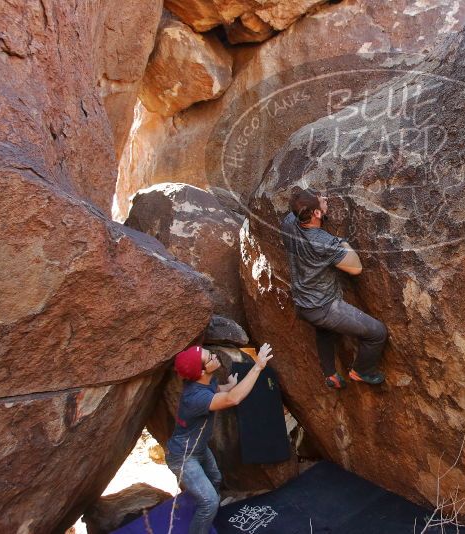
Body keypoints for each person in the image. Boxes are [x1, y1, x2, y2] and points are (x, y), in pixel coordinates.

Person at [280, 188, 387, 389]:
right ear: (317, 214)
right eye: (322, 201)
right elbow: (356, 268)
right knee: (377, 333)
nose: (326, 199)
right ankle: (362, 371)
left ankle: (330, 374)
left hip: (303, 301)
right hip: (324, 307)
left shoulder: (288, 223)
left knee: (324, 330)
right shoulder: (324, 242)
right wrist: (341, 243)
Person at [165, 343, 274, 534]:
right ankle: (205, 516)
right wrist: (258, 366)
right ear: (202, 371)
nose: (214, 357)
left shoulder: (204, 381)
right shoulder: (194, 398)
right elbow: (233, 399)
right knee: (209, 501)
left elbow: (218, 390)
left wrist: (230, 385)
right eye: (210, 358)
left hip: (198, 449)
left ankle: (209, 515)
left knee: (215, 478)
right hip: (183, 457)